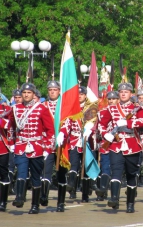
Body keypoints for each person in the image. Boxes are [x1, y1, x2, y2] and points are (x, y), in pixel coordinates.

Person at [98, 83, 143, 213]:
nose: (123, 93)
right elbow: (101, 124)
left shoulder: (137, 109)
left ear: (131, 94)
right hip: (116, 145)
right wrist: (106, 134)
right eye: (121, 92)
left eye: (126, 91)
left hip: (132, 145)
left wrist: (128, 122)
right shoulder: (111, 109)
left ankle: (130, 203)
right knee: (116, 171)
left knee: (131, 175)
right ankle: (114, 198)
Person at [7, 83, 54, 214]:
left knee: (35, 176)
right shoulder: (15, 109)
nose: (26, 95)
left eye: (29, 92)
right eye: (24, 93)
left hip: (37, 146)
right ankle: (19, 198)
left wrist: (48, 148)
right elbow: (11, 126)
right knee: (21, 171)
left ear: (34, 94)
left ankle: (35, 205)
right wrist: (11, 142)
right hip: (21, 145)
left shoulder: (41, 109)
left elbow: (50, 130)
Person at [57, 86, 92, 202]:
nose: (80, 96)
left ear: (85, 96)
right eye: (78, 94)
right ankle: (71, 189)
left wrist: (90, 130)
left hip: (87, 141)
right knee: (74, 165)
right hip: (74, 141)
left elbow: (95, 122)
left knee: (86, 168)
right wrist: (63, 133)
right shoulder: (72, 109)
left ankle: (85, 194)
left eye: (82, 94)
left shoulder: (90, 108)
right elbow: (67, 123)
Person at [40, 81, 69, 212]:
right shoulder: (42, 105)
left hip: (61, 144)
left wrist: (63, 133)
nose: (52, 92)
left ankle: (60, 202)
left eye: (55, 89)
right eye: (50, 89)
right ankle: (44, 195)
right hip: (47, 143)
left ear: (59, 91)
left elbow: (68, 121)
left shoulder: (64, 106)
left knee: (61, 173)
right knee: (45, 170)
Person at [96, 91, 119, 201]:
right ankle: (102, 190)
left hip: (118, 143)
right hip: (106, 143)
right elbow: (99, 127)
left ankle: (115, 194)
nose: (111, 101)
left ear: (118, 100)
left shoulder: (123, 112)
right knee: (105, 166)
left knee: (116, 170)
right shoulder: (101, 112)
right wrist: (103, 135)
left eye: (114, 99)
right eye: (109, 99)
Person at [0, 95, 12, 211]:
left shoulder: (5, 109)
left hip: (2, 147)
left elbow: (10, 124)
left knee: (3, 172)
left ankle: (3, 202)